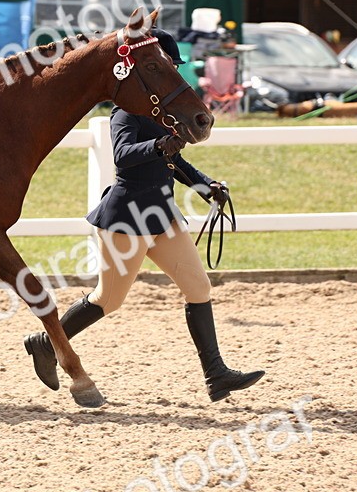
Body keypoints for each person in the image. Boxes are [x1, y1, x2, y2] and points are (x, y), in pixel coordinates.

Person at [24, 29, 265, 403]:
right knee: (108, 299)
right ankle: (45, 342)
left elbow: (175, 161)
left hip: (162, 215)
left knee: (199, 288)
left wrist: (206, 188)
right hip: (126, 218)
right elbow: (123, 156)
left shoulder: (163, 116)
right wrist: (158, 144)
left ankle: (216, 375)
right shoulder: (124, 115)